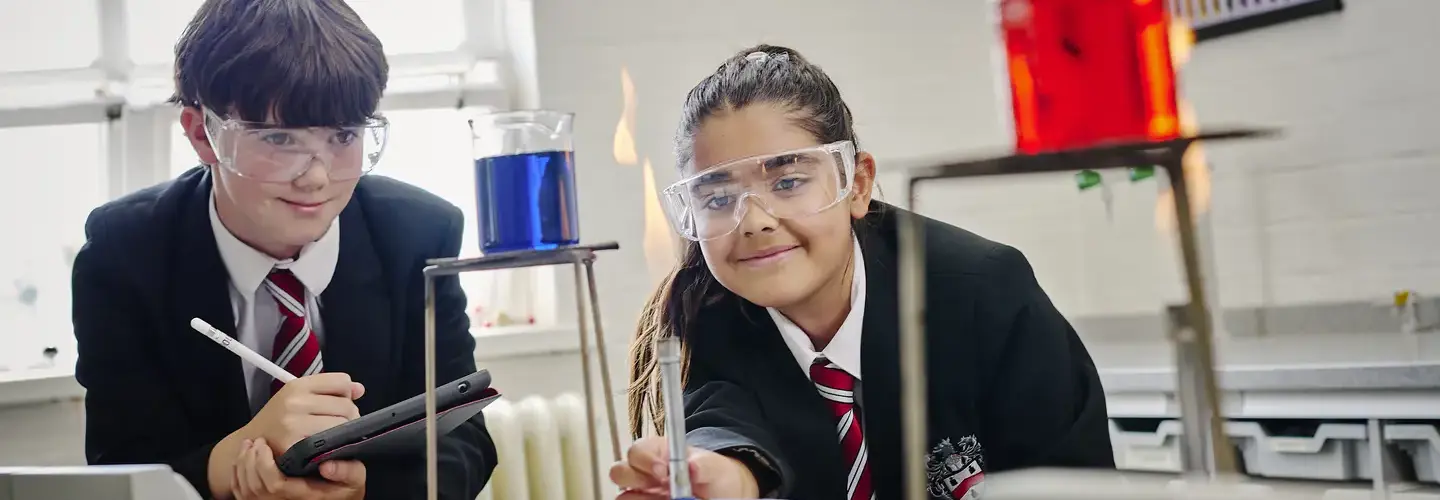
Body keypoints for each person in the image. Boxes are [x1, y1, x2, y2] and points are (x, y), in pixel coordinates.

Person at [613, 44, 1115, 500]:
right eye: (719, 198)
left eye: (787, 182)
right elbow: (723, 424)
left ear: (856, 184)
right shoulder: (710, 310)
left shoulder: (985, 294)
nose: (754, 221)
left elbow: (1075, 480)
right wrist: (726, 478)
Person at [70, 1, 496, 498]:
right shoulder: (123, 254)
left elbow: (463, 439)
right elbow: (119, 465)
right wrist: (231, 463)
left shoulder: (418, 235)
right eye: (278, 138)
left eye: (344, 136)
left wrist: (364, 490)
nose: (316, 177)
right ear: (202, 135)